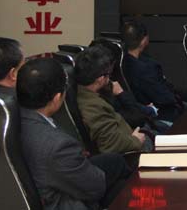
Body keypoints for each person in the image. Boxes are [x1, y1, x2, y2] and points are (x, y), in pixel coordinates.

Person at [18, 57, 127, 210]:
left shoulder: (15, 118)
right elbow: (95, 188)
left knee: (115, 161)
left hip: (50, 178)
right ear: (57, 98)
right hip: (64, 201)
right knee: (123, 188)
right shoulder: (57, 145)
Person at [75, 46, 152, 154]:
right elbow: (110, 144)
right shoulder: (93, 106)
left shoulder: (88, 94)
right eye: (109, 74)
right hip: (131, 151)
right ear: (100, 79)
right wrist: (135, 140)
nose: (110, 79)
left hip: (130, 138)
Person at [122, 19, 187, 122]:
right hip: (160, 114)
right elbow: (165, 98)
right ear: (144, 40)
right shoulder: (145, 68)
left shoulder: (121, 63)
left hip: (141, 111)